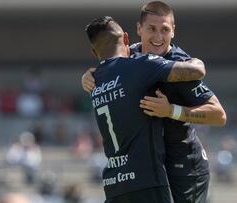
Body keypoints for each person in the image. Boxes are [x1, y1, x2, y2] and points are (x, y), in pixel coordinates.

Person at [82, 1, 226, 202]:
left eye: (165, 30)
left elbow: (219, 115)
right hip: (154, 169)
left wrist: (172, 111)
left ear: (173, 31)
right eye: (151, 29)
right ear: (138, 29)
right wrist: (89, 75)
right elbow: (109, 59)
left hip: (185, 167)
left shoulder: (179, 62)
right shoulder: (131, 56)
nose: (158, 37)